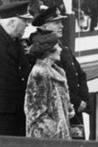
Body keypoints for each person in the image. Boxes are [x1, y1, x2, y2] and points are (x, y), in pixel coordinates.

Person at [31, 6, 89, 139]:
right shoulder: (43, 51)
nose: (61, 26)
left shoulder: (62, 46)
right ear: (44, 27)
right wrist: (76, 102)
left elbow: (79, 74)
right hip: (58, 116)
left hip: (73, 110)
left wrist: (83, 100)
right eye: (56, 23)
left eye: (61, 22)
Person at [25, 32, 74, 139]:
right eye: (57, 47)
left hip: (58, 137)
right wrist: (56, 129)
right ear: (48, 51)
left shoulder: (56, 71)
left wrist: (68, 108)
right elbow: (35, 112)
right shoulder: (39, 73)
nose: (61, 50)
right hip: (45, 139)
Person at [0, 1, 33, 136]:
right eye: (24, 20)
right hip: (3, 114)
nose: (27, 24)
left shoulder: (16, 41)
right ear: (11, 22)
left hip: (17, 111)